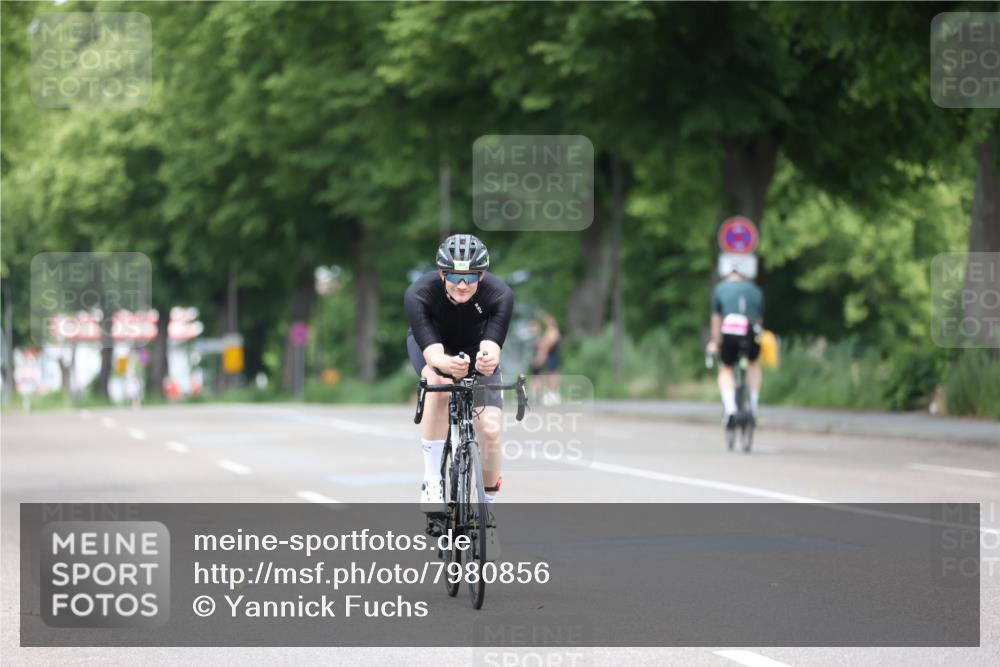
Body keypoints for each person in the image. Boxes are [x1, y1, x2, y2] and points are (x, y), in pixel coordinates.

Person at [404, 234, 513, 518]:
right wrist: (446, 365)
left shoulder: (499, 293)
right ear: (442, 273)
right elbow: (434, 356)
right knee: (439, 382)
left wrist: (488, 362)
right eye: (454, 275)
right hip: (433, 346)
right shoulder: (419, 293)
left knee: (489, 430)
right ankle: (431, 481)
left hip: (475, 348)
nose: (462, 284)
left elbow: (491, 347)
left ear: (482, 275)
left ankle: (488, 512)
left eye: (471, 277)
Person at [705, 258, 764, 425]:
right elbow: (759, 320)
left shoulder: (720, 288)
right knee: (753, 364)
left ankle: (730, 409)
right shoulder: (755, 290)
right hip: (750, 332)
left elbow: (716, 320)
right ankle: (753, 404)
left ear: (727, 274)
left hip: (730, 331)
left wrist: (716, 342)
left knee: (726, 368)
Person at [528, 312, 561, 405]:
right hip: (549, 356)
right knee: (549, 373)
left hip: (553, 355)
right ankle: (550, 393)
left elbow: (549, 343)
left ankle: (553, 394)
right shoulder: (549, 331)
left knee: (552, 373)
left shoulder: (553, 331)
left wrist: (542, 348)